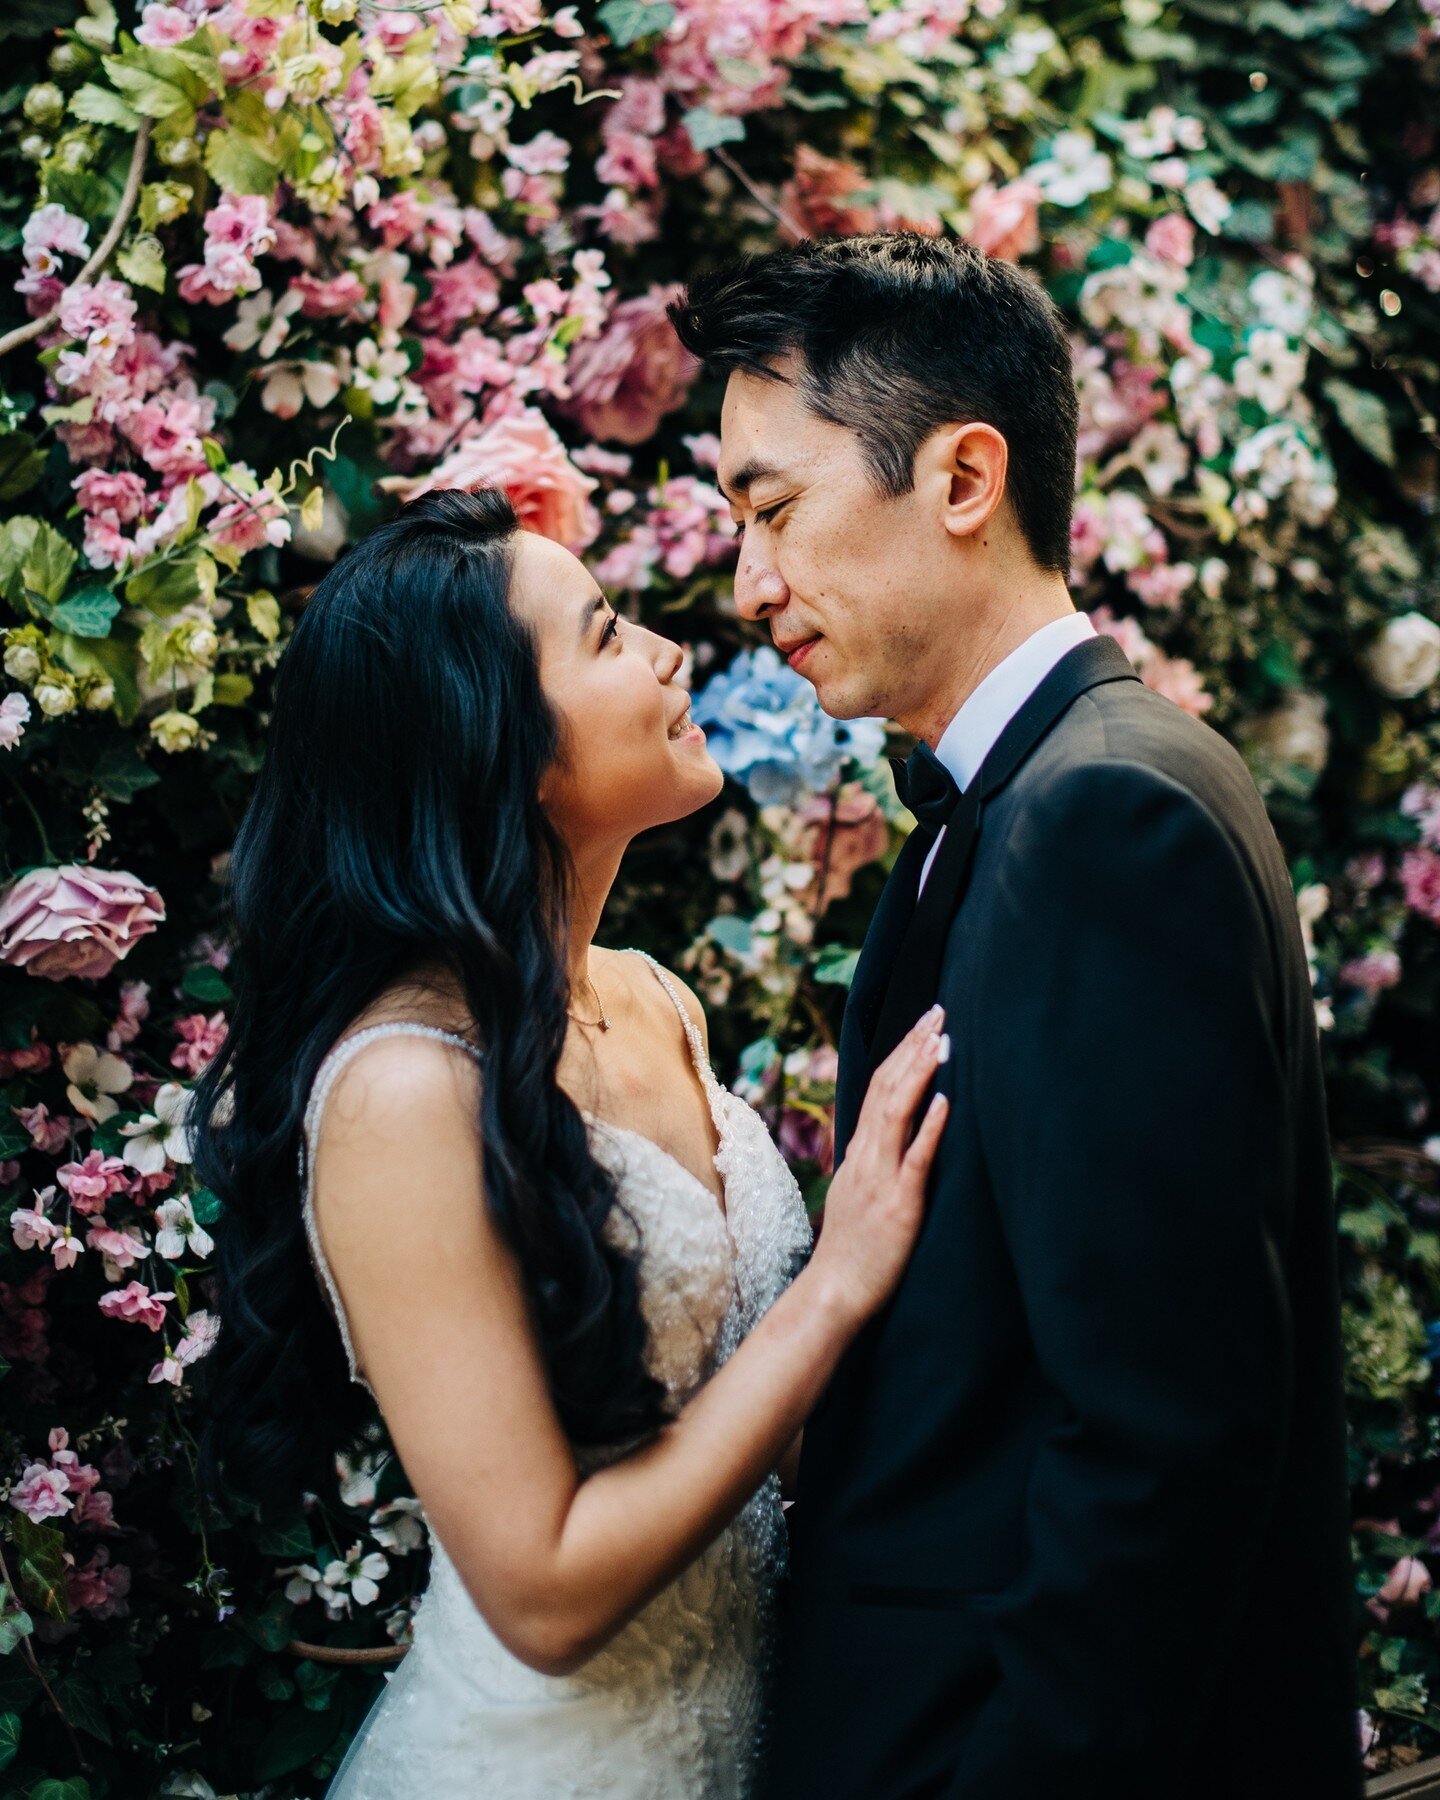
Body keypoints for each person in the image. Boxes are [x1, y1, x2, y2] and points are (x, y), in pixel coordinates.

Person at [669, 232, 1362, 1800]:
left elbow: (1161, 1444)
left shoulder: (1105, 815)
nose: (749, 579)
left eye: (775, 508)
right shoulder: (1042, 797)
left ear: (965, 478)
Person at [190, 486, 950, 1797]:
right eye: (604, 635)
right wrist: (836, 1287)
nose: (668, 653)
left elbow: (762, 1427)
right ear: (498, 745)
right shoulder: (403, 1093)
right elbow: (539, 1591)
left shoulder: (658, 998)